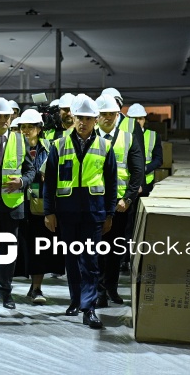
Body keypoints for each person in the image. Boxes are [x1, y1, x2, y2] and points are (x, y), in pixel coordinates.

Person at [43, 94, 117, 329]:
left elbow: (112, 182)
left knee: (91, 260)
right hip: (67, 212)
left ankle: (89, 308)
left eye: (88, 118)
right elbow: (50, 183)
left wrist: (110, 213)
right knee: (72, 259)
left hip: (94, 213)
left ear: (95, 120)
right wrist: (49, 212)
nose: (83, 122)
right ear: (73, 118)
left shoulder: (105, 146)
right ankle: (75, 300)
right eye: (79, 118)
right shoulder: (59, 145)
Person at [0, 97, 35, 320]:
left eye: (6, 116)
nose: (3, 120)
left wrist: (21, 182)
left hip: (12, 205)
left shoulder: (20, 140)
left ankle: (6, 292)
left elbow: (30, 171)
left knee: (8, 253)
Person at [94, 94, 144, 308]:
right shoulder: (87, 136)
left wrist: (128, 198)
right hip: (94, 202)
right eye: (103, 114)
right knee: (94, 249)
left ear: (118, 115)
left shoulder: (128, 137)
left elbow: (137, 171)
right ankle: (97, 291)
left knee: (115, 249)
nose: (107, 118)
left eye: (111, 114)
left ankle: (111, 287)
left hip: (119, 204)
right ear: (97, 116)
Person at [18, 108, 64, 304]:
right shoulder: (14, 147)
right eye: (23, 127)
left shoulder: (49, 147)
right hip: (17, 203)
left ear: (39, 128)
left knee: (39, 248)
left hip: (39, 204)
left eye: (31, 127)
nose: (27, 130)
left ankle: (36, 288)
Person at [127, 103, 163, 197]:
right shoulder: (122, 135)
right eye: (134, 119)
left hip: (146, 182)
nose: (137, 121)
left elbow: (158, 159)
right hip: (126, 181)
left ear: (144, 119)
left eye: (140, 118)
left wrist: (144, 169)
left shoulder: (153, 136)